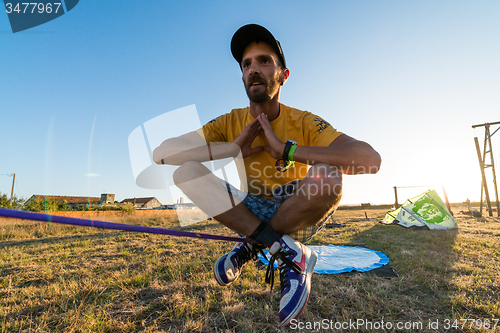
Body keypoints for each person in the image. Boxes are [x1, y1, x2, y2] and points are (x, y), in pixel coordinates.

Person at [153, 24, 381, 326]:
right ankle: (282, 248)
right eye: (246, 64)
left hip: (296, 212)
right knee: (187, 173)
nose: (253, 70)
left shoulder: (304, 120)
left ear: (283, 75)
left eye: (264, 61)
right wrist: (231, 149)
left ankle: (253, 242)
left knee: (328, 176)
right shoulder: (229, 121)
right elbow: (163, 153)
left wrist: (286, 150)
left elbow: (369, 159)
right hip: (250, 207)